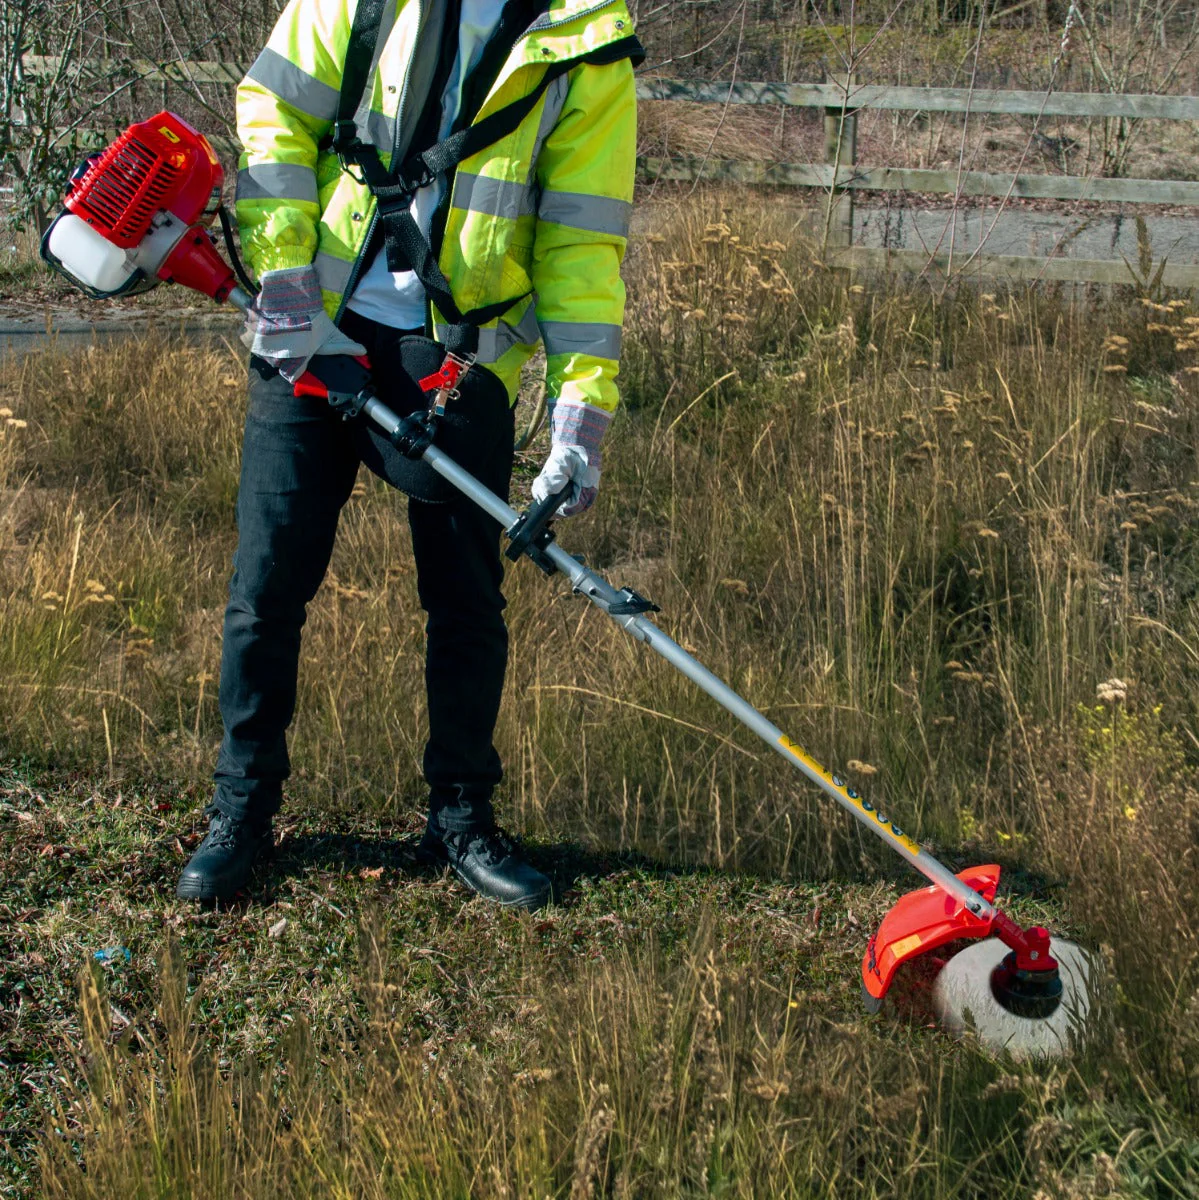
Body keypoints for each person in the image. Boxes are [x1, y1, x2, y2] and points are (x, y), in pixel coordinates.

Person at [175, 0, 641, 910]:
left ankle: (460, 817)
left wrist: (581, 408)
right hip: (313, 329)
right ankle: (242, 809)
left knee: (467, 600)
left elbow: (581, 236)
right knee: (265, 588)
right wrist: (284, 274)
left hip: (459, 354)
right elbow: (275, 110)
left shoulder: (587, 42)